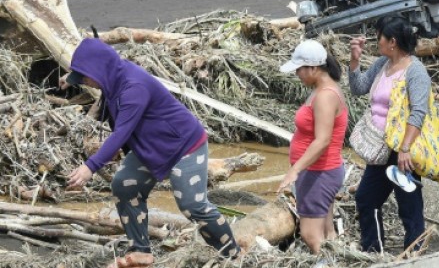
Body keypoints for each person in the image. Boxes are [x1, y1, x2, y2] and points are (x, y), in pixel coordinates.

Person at [63, 38, 240, 268]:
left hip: (184, 146)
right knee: (124, 184)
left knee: (192, 205)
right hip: (151, 147)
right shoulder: (113, 77)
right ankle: (140, 251)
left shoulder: (133, 87)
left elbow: (120, 135)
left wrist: (90, 167)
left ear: (99, 70)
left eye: (85, 77)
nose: (86, 83)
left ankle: (233, 255)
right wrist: (71, 77)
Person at [349, 16, 431, 253]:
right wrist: (355, 62)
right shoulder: (382, 64)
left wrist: (405, 148)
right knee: (366, 199)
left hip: (404, 149)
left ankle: (414, 253)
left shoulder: (415, 71)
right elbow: (358, 88)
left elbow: (419, 111)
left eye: (379, 38)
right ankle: (373, 251)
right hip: (381, 148)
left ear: (392, 41)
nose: (377, 43)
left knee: (409, 205)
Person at [277, 40, 348, 254]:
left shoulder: (326, 95)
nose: (297, 74)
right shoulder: (321, 89)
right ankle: (334, 261)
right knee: (327, 234)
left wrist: (294, 170)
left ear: (314, 68)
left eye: (299, 69)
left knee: (310, 234)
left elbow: (322, 140)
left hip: (320, 173)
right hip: (321, 172)